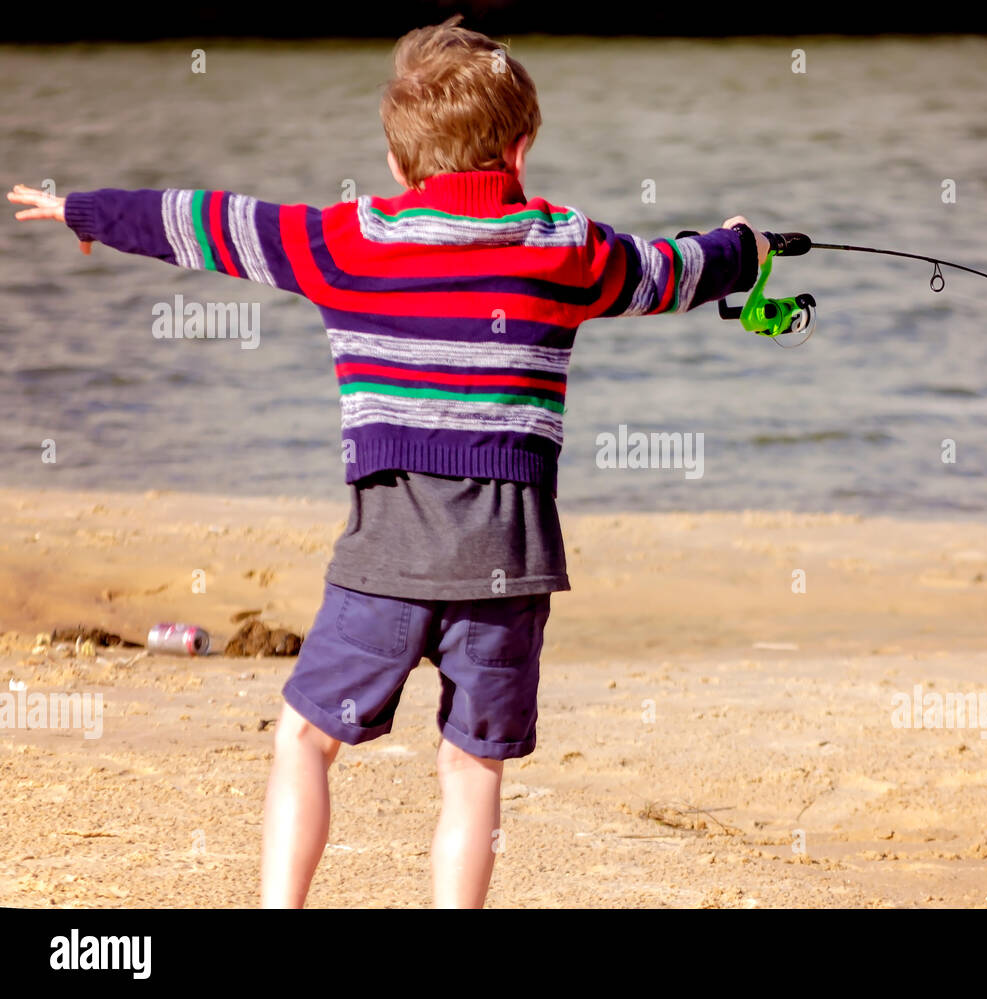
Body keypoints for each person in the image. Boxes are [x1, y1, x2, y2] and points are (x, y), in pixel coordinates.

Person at [8, 15, 769, 908]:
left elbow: (208, 223)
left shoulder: (345, 242)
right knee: (472, 764)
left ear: (401, 163)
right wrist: (741, 248)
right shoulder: (567, 247)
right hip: (509, 564)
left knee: (303, 740)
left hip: (387, 557)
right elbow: (668, 272)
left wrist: (86, 211)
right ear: (519, 152)